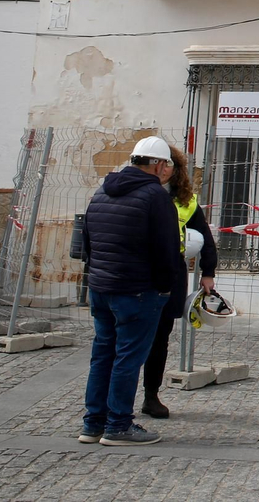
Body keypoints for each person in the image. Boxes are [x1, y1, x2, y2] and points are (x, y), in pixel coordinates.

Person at [77, 135, 182, 446]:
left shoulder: (101, 191)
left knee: (103, 354)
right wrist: (165, 288)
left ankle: (92, 423)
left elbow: (87, 243)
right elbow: (166, 250)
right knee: (127, 357)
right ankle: (119, 424)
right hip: (138, 290)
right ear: (160, 166)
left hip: (101, 286)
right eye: (169, 166)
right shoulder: (155, 197)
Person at [140, 145, 218, 419]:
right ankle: (118, 400)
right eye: (159, 163)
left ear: (176, 169)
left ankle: (151, 395)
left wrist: (208, 273)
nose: (163, 169)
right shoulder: (138, 193)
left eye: (169, 164)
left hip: (171, 274)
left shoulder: (187, 202)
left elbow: (205, 239)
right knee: (129, 340)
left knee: (160, 339)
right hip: (138, 273)